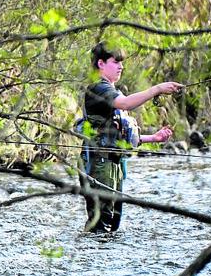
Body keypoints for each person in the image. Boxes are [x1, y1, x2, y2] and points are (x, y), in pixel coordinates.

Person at [79, 42, 184, 233]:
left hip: (113, 164)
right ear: (101, 64)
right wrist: (157, 89)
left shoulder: (111, 91)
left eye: (122, 62)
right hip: (98, 164)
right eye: (115, 62)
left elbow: (118, 135)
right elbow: (126, 104)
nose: (121, 66)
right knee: (100, 225)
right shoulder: (98, 89)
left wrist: (153, 138)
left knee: (112, 224)